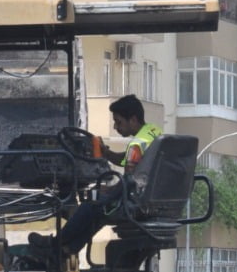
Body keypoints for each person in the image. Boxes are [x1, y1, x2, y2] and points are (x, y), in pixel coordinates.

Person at [30, 94, 162, 260]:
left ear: (133, 119)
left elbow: (128, 182)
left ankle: (55, 244)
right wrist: (106, 153)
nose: (115, 127)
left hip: (135, 203)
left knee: (90, 205)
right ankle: (67, 249)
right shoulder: (153, 133)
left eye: (119, 122)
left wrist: (109, 190)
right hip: (152, 200)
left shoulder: (136, 145)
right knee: (99, 211)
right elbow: (129, 160)